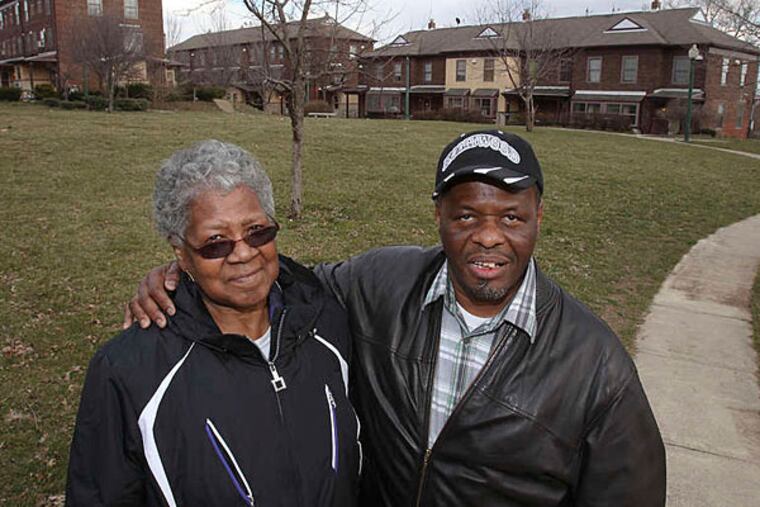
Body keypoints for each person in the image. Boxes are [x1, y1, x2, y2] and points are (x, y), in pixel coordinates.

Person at [125, 130, 666, 506]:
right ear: (439, 216)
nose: (488, 236)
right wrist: (185, 275)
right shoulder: (381, 284)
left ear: (538, 217)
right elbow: (277, 281)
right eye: (466, 215)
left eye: (512, 217)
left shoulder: (597, 367)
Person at [67, 140, 360, 506]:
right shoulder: (129, 371)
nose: (243, 253)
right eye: (215, 242)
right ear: (181, 254)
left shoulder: (327, 323)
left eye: (257, 231)